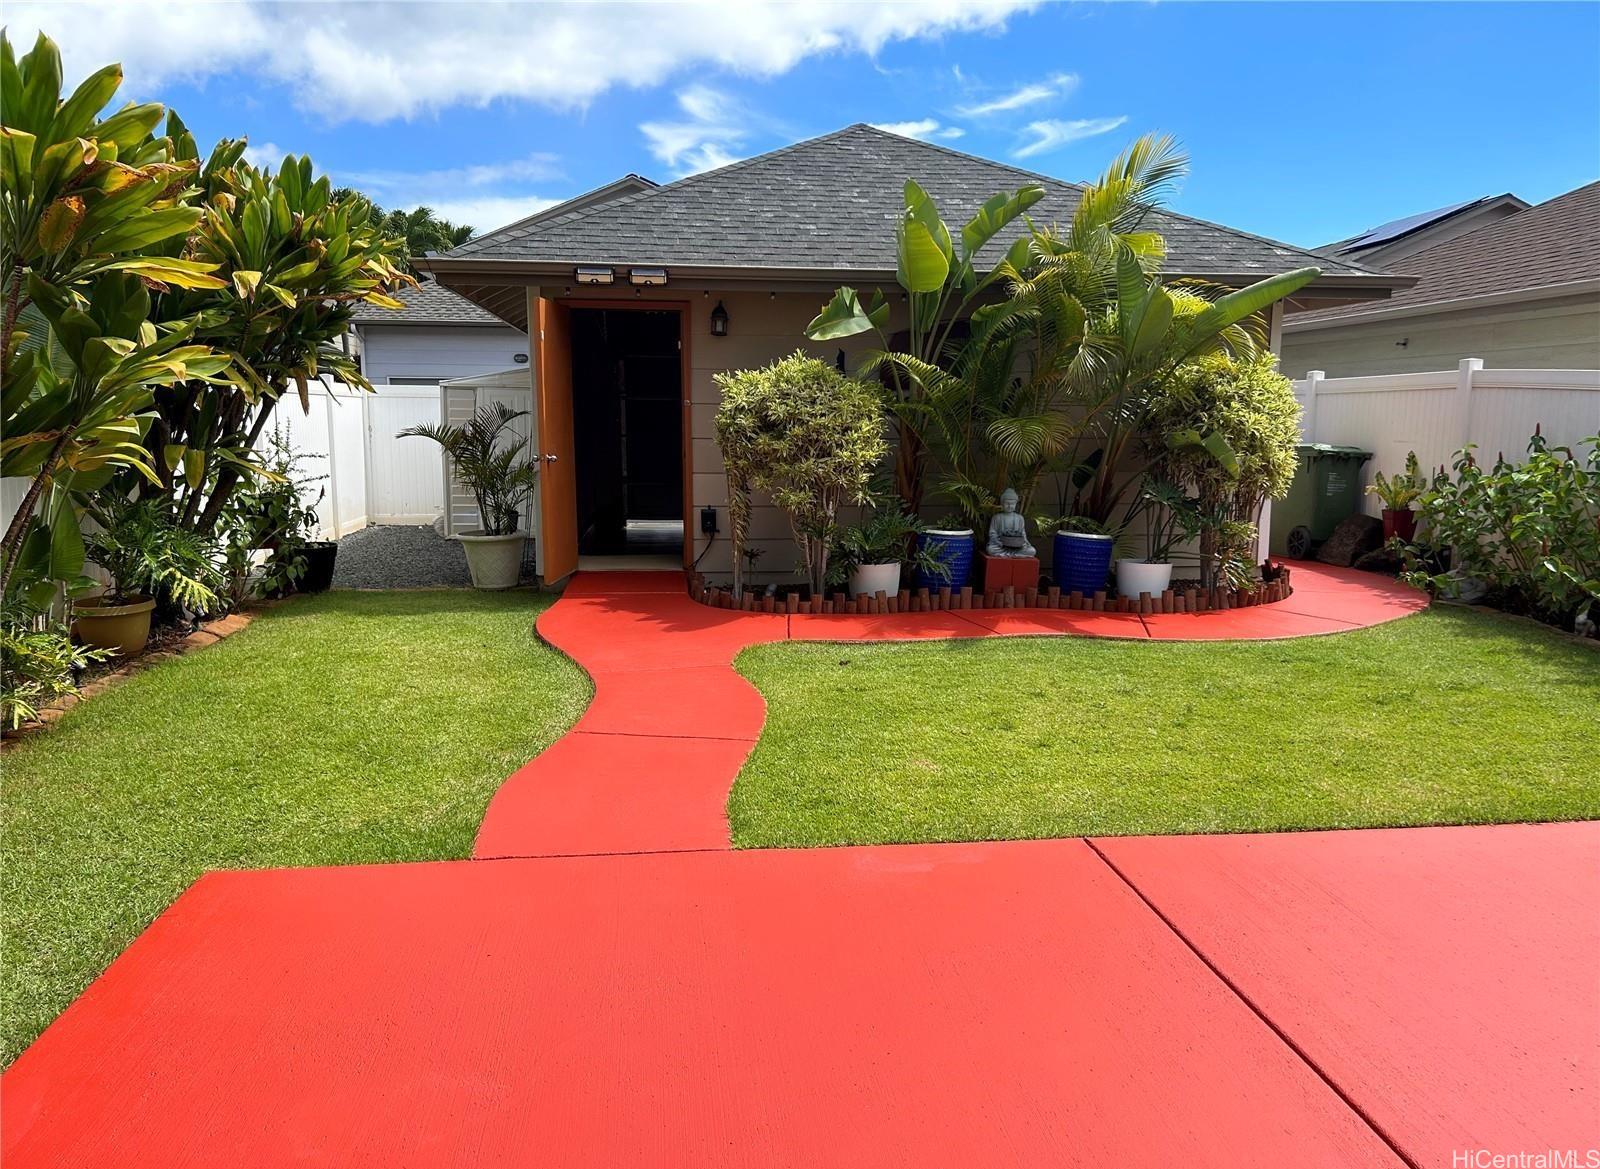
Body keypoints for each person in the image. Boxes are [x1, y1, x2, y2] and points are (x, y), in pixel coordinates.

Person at [986, 488, 1035, 558]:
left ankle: (1009, 555)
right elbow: (992, 533)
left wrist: (1024, 542)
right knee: (990, 549)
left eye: (1012, 504)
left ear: (1015, 504)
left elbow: (1023, 533)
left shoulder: (1020, 518)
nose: (1009, 506)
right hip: (1001, 545)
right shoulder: (997, 517)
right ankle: (1015, 555)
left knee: (1032, 551)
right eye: (1007, 503)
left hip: (1017, 546)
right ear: (1002, 504)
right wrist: (998, 542)